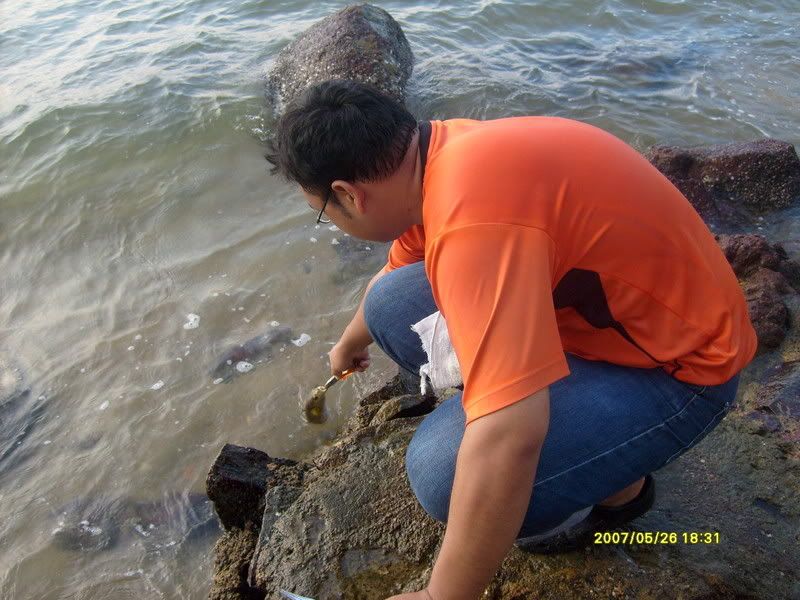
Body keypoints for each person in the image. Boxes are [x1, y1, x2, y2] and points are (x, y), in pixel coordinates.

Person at [266, 79, 757, 600]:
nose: (332, 221)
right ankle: (609, 465)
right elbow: (393, 278)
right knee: (391, 302)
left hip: (683, 371)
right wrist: (349, 344)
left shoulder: (474, 220)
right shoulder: (440, 156)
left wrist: (441, 595)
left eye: (323, 212)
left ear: (348, 194)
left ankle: (613, 495)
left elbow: (512, 432)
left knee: (441, 474)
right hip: (615, 327)